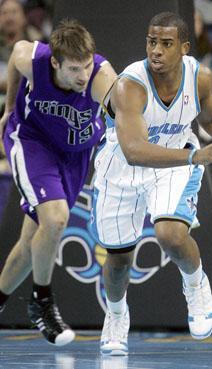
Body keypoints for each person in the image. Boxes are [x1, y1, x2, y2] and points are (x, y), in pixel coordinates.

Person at [91, 12, 212, 356]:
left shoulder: (200, 78)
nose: (157, 50)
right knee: (118, 261)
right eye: (152, 42)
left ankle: (195, 285)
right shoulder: (129, 85)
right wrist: (196, 158)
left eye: (166, 44)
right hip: (123, 168)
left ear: (183, 48)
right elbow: (134, 152)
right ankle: (117, 315)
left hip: (174, 163)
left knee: (170, 234)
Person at [0, 18, 117, 346]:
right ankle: (43, 301)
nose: (83, 76)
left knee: (30, 244)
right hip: (33, 142)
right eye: (75, 69)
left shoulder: (101, 77)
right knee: (56, 219)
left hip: (75, 155)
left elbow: (119, 104)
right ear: (55, 62)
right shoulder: (33, 61)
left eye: (86, 67)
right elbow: (14, 55)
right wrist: (9, 107)